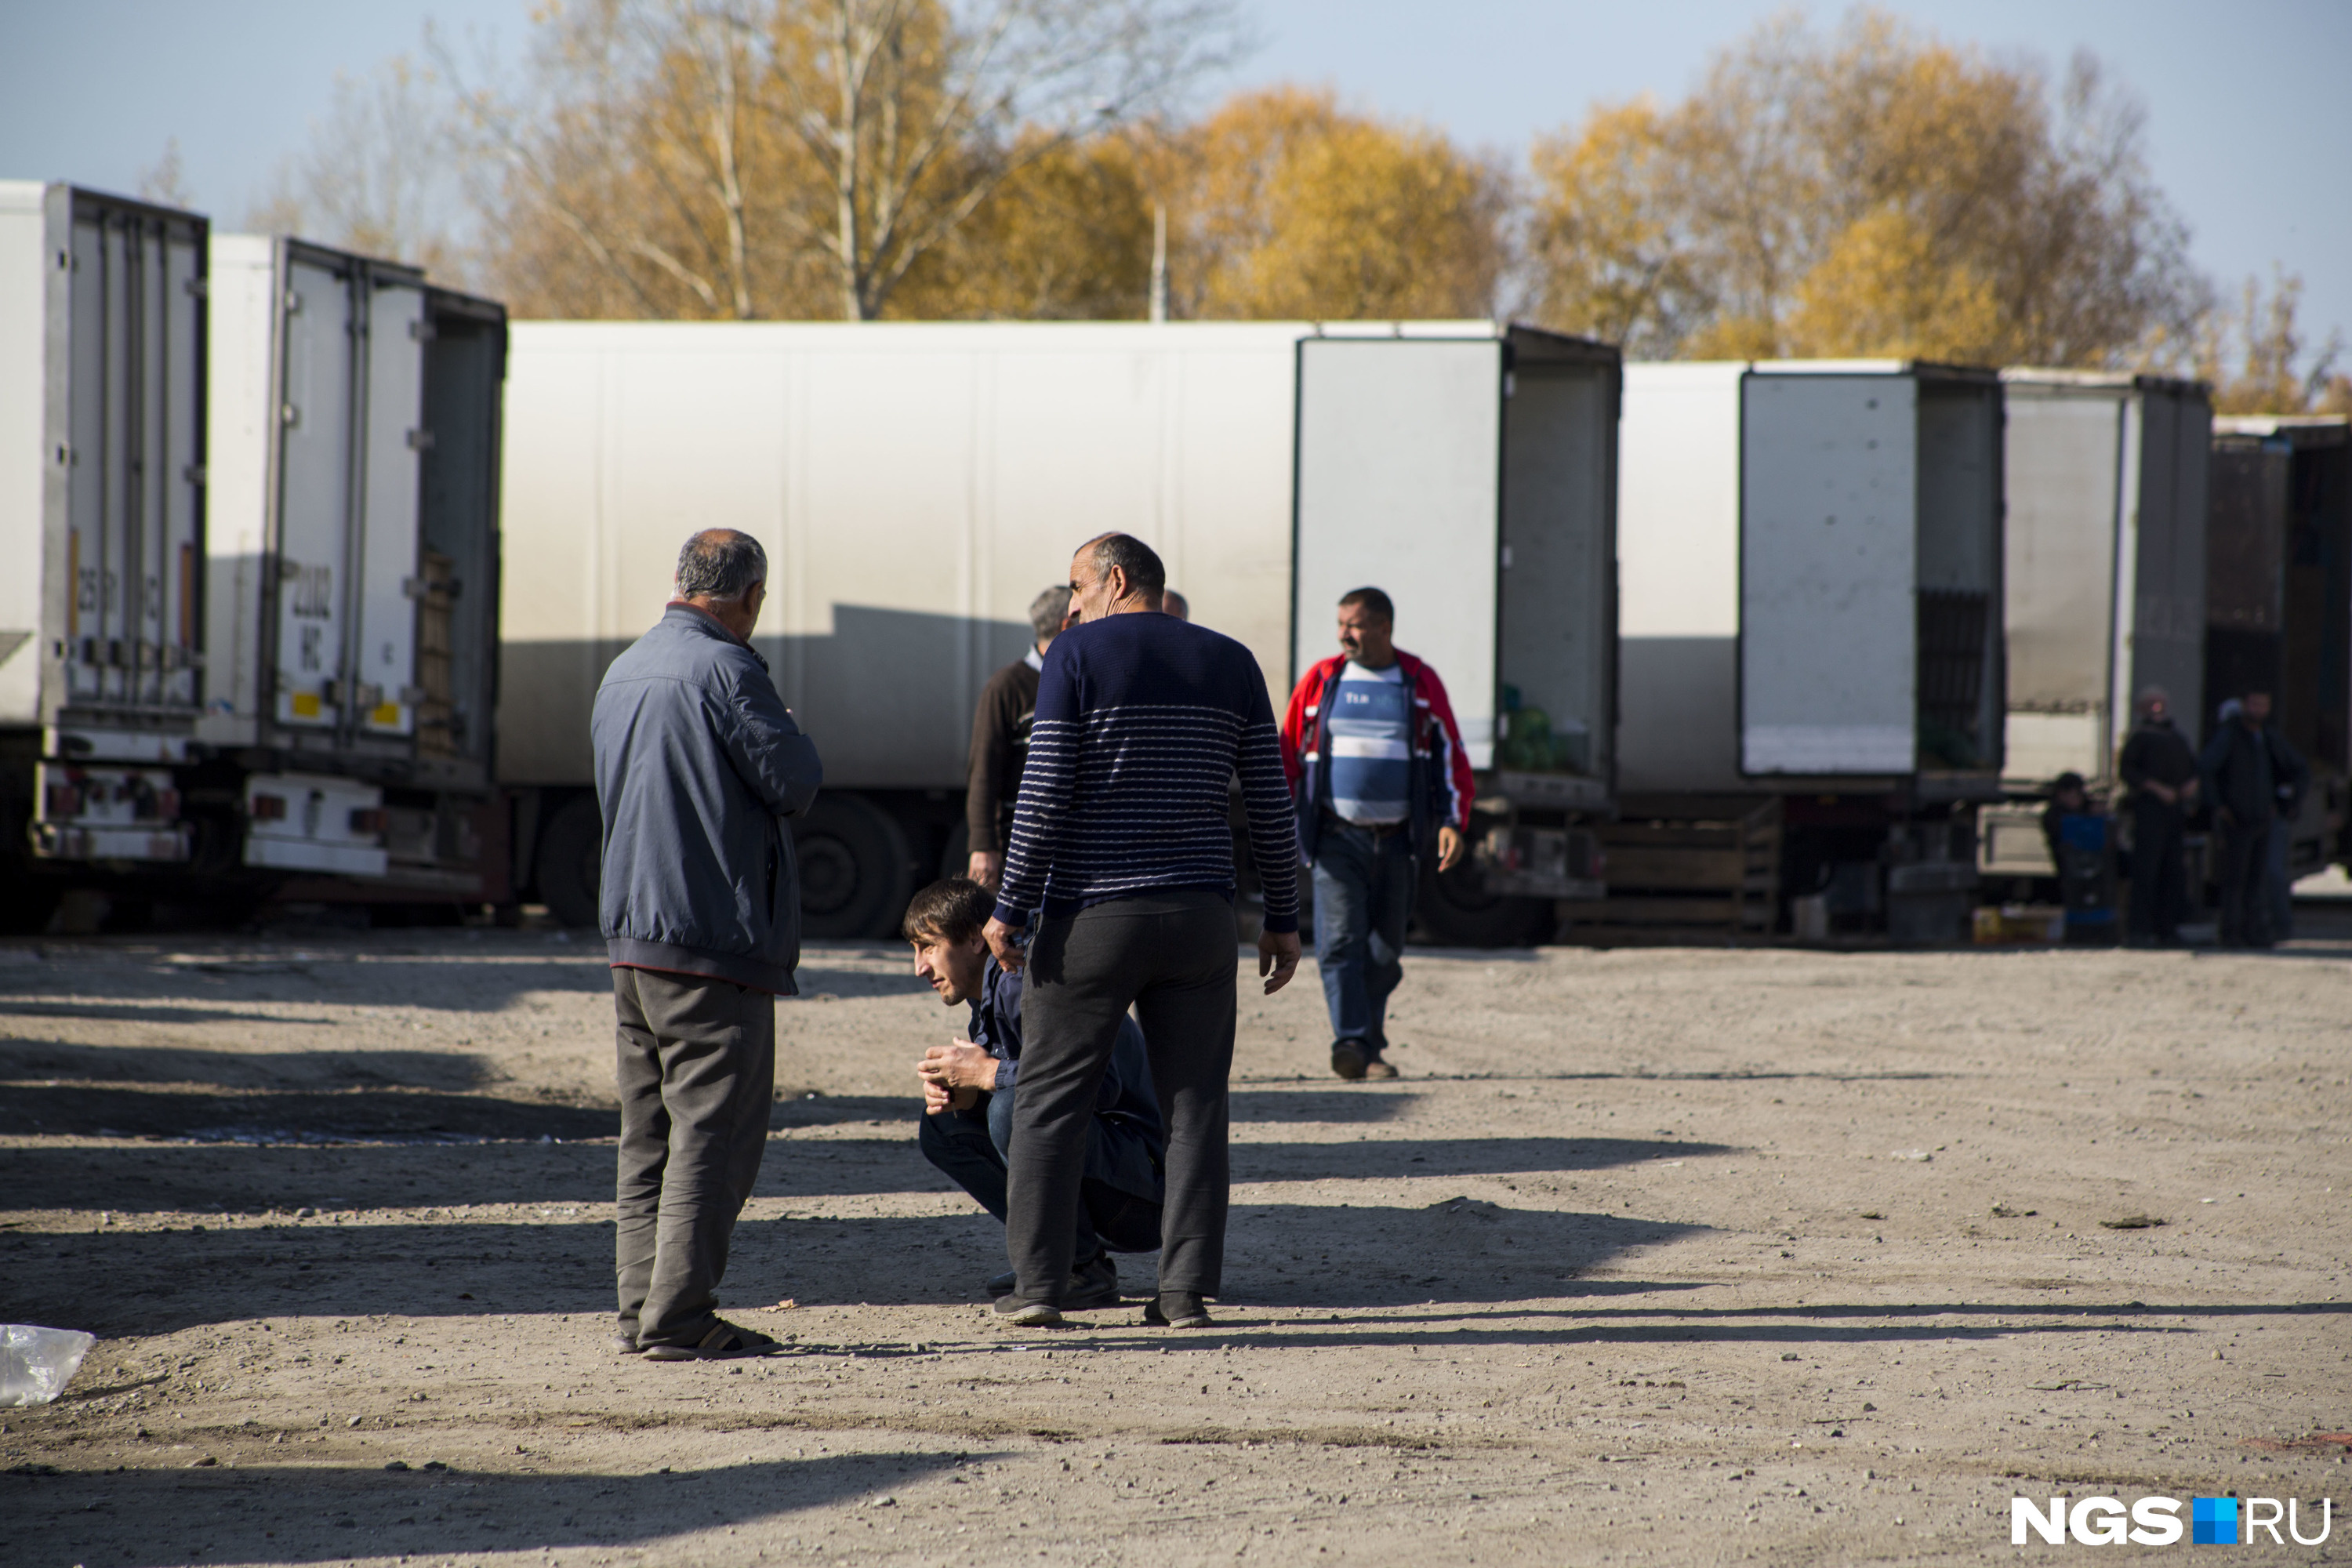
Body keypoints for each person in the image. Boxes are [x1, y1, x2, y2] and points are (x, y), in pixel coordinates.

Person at [982, 532, 1301, 1330]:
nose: (1072, 603)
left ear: (1115, 580)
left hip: (1092, 915)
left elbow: (1045, 791)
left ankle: (1042, 1288)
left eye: (1078, 586)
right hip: (1199, 917)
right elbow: (1269, 797)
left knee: (1051, 1099)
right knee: (1196, 1106)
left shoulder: (1075, 654)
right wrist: (1285, 919)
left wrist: (1010, 904)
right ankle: (1184, 1291)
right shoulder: (1231, 661)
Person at [592, 528, 823, 1360]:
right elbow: (793, 779)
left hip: (633, 934)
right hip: (711, 938)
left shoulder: (626, 668)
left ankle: (640, 1309)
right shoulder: (728, 669)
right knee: (711, 1133)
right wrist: (787, 727)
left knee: (648, 1130)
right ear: (750, 595)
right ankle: (681, 1316)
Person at [906, 878, 1164, 1307]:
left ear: (975, 938)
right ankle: (1050, 1256)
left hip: (1140, 1195)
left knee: (1011, 1109)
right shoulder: (991, 994)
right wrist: (967, 1094)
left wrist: (989, 1075)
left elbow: (1099, 1087)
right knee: (944, 1126)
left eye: (928, 946)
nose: (919, 967)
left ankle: (1075, 1266)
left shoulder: (1025, 981)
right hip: (1113, 1176)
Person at [1279, 588, 1472, 1081]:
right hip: (1336, 838)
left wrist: (1452, 821)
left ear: (1385, 628)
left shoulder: (1418, 680)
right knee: (1341, 941)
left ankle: (1366, 1040)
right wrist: (1281, 820)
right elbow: (1286, 755)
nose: (1345, 634)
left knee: (1386, 950)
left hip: (1400, 840)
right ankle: (1354, 1043)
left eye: (1356, 625)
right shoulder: (1323, 680)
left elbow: (1450, 752)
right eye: (1341, 623)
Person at [964, 586, 1074, 891]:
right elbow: (983, 769)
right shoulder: (1008, 686)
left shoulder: (1082, 679)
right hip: (1020, 843)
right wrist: (984, 846)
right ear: (1067, 626)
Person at [2201, 690, 2307, 949]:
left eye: (2263, 705)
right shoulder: (2230, 736)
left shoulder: (2268, 738)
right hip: (2237, 819)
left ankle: (2255, 931)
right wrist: (2219, 806)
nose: (2258, 709)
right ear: (2244, 706)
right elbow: (2207, 768)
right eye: (2254, 704)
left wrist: (2287, 803)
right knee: (2235, 879)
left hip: (2262, 818)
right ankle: (2231, 932)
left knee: (2257, 880)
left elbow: (2297, 767)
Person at [2117, 687, 2198, 945]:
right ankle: (2139, 929)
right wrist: (2156, 788)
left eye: (2160, 704)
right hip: (2149, 811)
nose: (2156, 709)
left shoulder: (2176, 736)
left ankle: (2168, 929)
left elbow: (2194, 768)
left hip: (2175, 812)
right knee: (2146, 871)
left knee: (2173, 871)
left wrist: (2191, 785)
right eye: (2151, 704)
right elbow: (2128, 771)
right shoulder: (2140, 737)